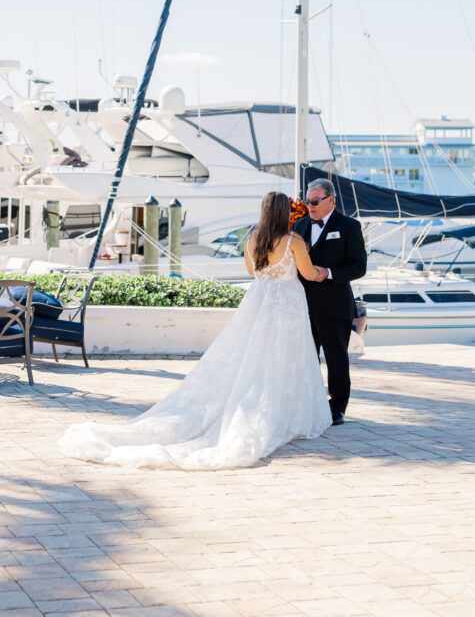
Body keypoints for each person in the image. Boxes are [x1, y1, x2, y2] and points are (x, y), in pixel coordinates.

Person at [57, 191, 331, 470]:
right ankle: (286, 414)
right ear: (286, 213)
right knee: (285, 356)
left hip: (259, 300)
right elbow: (308, 274)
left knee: (253, 355)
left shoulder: (252, 238)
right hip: (286, 306)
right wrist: (324, 273)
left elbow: (251, 270)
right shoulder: (293, 240)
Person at [293, 177, 367, 426]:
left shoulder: (348, 226)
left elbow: (358, 266)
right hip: (303, 307)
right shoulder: (300, 226)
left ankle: (337, 408)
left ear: (330, 200)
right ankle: (309, 403)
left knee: (336, 359)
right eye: (308, 201)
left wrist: (330, 273)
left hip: (335, 305)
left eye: (315, 201)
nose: (310, 205)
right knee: (306, 358)